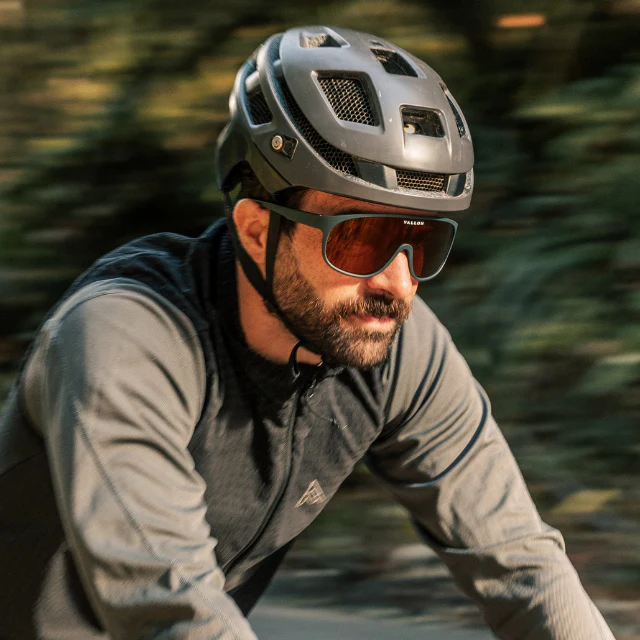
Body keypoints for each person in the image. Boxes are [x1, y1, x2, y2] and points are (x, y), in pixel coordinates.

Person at [0, 25, 615, 640]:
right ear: (256, 230)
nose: (399, 285)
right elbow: (170, 608)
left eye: (422, 241)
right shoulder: (126, 338)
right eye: (363, 238)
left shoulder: (396, 348)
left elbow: (522, 563)